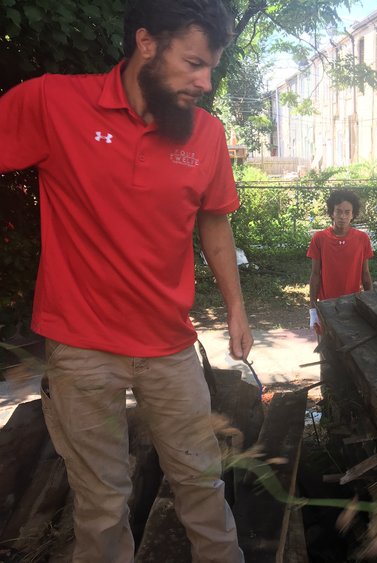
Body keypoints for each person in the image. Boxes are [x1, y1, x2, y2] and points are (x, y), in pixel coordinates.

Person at [0, 1, 251, 561]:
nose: (205, 83)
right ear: (145, 43)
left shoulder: (206, 135)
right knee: (101, 500)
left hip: (170, 346)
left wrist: (236, 308)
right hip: (81, 349)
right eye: (193, 64)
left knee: (202, 483)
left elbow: (215, 222)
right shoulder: (54, 102)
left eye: (210, 68)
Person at [307, 190, 374, 332]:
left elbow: (365, 274)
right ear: (332, 213)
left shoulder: (362, 239)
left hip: (353, 304)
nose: (342, 216)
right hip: (326, 305)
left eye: (347, 212)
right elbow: (315, 275)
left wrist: (373, 302)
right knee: (326, 348)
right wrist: (313, 310)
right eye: (338, 211)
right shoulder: (319, 238)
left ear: (353, 214)